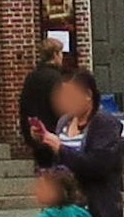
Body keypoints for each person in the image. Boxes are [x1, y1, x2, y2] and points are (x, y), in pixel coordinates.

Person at [30, 65, 124, 217]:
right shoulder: (64, 122)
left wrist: (60, 148)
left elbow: (97, 165)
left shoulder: (105, 125)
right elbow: (60, 165)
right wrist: (43, 143)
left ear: (87, 95)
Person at [22, 37, 81, 170]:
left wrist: (29, 135)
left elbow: (24, 108)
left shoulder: (31, 78)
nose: (62, 57)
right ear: (55, 55)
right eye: (61, 54)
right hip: (55, 136)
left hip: (37, 136)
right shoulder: (57, 79)